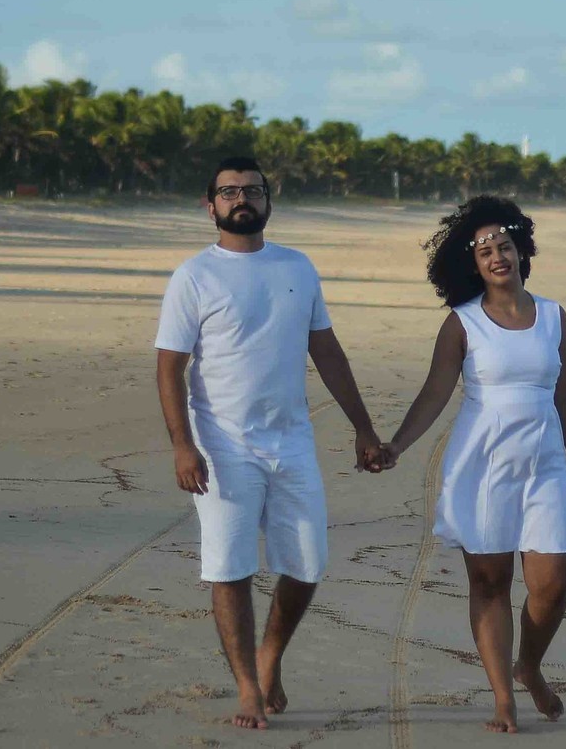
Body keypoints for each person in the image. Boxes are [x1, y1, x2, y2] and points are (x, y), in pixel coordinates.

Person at [155, 156, 384, 729]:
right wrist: (184, 446)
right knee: (229, 567)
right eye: (230, 192)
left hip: (292, 440)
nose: (242, 199)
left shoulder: (297, 267)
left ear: (267, 200)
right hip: (221, 443)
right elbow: (169, 368)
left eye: (252, 190)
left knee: (307, 563)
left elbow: (326, 350)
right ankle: (247, 688)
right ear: (210, 206)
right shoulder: (194, 276)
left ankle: (270, 654)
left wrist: (363, 426)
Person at [377, 195, 566, 733]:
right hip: (484, 465)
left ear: (522, 253)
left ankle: (529, 666)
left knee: (553, 584)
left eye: (505, 246)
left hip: (543, 465)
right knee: (490, 583)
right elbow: (434, 394)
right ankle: (503, 698)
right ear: (471, 265)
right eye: (486, 251)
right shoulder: (463, 323)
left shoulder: (554, 317)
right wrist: (396, 446)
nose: (498, 256)